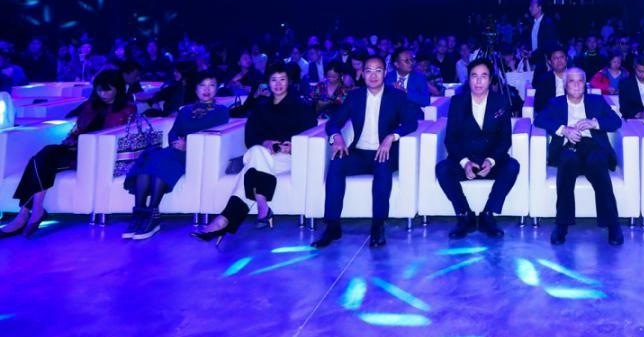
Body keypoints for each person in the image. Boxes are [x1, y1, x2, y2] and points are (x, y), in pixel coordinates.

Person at [0, 70, 134, 238]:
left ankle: (24, 215)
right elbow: (77, 127)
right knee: (42, 156)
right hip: (74, 149)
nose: (103, 94)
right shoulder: (91, 105)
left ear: (118, 88)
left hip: (95, 154)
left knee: (40, 160)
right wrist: (71, 138)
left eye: (107, 90)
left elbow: (121, 134)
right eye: (99, 90)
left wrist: (85, 141)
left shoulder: (128, 109)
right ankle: (35, 210)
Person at [191, 65, 317, 243]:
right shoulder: (261, 108)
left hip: (287, 158)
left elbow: (311, 132)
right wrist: (265, 143)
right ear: (268, 83)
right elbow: (249, 137)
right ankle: (261, 205)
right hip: (264, 158)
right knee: (257, 153)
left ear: (288, 81)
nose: (278, 84)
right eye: (274, 80)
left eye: (282, 79)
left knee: (252, 162)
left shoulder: (301, 107)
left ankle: (224, 220)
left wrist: (293, 145)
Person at [311, 55, 420, 249]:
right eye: (369, 71)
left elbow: (412, 122)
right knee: (337, 163)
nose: (373, 75)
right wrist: (336, 137)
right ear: (362, 74)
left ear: (385, 73)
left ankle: (378, 225)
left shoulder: (396, 96)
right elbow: (333, 122)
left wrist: (391, 137)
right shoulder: (355, 96)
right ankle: (332, 225)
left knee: (382, 165)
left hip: (384, 153)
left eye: (378, 71)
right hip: (360, 153)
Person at [123, 69, 230, 240]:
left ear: (217, 88)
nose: (207, 89)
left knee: (163, 163)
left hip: (195, 154)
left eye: (211, 85)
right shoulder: (185, 109)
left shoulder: (221, 110)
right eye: (202, 85)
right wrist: (175, 142)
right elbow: (173, 132)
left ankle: (152, 215)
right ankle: (139, 214)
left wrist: (188, 145)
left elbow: (214, 134)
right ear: (196, 89)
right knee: (149, 162)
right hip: (175, 150)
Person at [534, 68, 624, 246]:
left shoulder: (596, 101)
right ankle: (562, 223)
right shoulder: (556, 103)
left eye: (580, 81)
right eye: (571, 81)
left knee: (597, 162)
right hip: (569, 148)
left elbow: (616, 121)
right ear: (565, 85)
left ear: (585, 84)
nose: (576, 85)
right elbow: (539, 119)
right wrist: (563, 130)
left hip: (594, 147)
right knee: (567, 160)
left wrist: (594, 123)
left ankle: (612, 223)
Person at [435, 58, 520, 239]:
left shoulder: (500, 102)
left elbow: (505, 139)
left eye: (484, 76)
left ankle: (488, 214)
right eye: (474, 76)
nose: (479, 81)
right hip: (465, 161)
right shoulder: (458, 102)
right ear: (468, 79)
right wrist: (465, 162)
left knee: (512, 166)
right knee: (442, 169)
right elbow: (450, 139)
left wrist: (491, 160)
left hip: (491, 160)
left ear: (490, 80)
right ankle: (465, 214)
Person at [527, 0, 560, 69]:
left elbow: (548, 43)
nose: (530, 8)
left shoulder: (548, 23)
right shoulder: (532, 23)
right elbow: (532, 41)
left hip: (544, 62)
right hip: (534, 60)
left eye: (532, 6)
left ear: (539, 8)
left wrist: (534, 53)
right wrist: (526, 50)